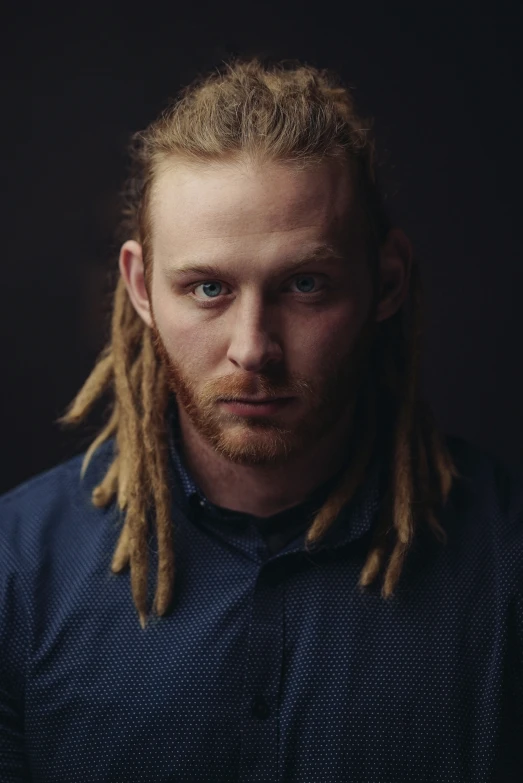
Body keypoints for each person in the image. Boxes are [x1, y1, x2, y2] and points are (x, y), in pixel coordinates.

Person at [0, 58, 521, 783]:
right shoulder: (16, 573)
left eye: (305, 285)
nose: (253, 348)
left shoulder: (504, 568)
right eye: (207, 288)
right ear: (141, 287)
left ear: (386, 281)